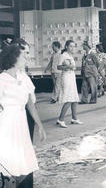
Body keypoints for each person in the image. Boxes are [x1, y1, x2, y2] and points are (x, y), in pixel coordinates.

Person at [0, 44, 46, 187]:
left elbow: (30, 104)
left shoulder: (23, 78)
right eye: (23, 56)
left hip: (21, 122)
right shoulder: (1, 80)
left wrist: (40, 125)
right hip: (7, 122)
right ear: (13, 58)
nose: (26, 58)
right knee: (8, 158)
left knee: (23, 158)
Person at [56, 40, 82, 128]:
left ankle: (74, 118)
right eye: (71, 46)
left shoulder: (70, 55)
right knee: (68, 98)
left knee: (74, 98)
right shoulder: (63, 55)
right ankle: (60, 119)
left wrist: (71, 67)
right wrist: (67, 67)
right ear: (66, 46)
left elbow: (73, 67)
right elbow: (58, 66)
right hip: (66, 78)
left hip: (72, 77)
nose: (72, 48)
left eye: (74, 46)